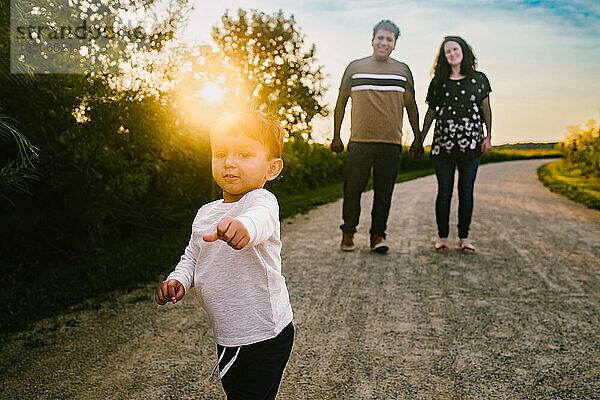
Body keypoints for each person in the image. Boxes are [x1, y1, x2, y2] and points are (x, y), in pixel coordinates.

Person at [155, 111, 294, 399]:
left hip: (265, 333)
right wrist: (178, 279)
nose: (229, 162)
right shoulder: (206, 212)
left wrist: (243, 226)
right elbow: (192, 256)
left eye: (244, 154)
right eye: (220, 153)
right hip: (229, 333)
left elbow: (260, 220)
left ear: (272, 168)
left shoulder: (261, 201)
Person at [331, 19, 420, 253]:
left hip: (390, 143)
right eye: (380, 37)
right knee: (352, 191)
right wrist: (336, 136)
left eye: (389, 39)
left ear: (394, 44)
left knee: (384, 194)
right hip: (359, 141)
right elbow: (340, 103)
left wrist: (418, 138)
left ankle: (378, 236)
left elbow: (412, 107)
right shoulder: (354, 67)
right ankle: (348, 234)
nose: (384, 42)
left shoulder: (403, 71)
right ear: (372, 40)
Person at [417, 36, 492, 253]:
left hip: (471, 143)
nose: (452, 53)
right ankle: (442, 238)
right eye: (447, 51)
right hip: (444, 143)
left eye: (455, 49)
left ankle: (465, 238)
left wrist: (488, 136)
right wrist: (420, 139)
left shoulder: (479, 79)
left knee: (466, 192)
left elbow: (486, 109)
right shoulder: (438, 81)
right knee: (444, 192)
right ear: (444, 56)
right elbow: (431, 112)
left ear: (463, 51)